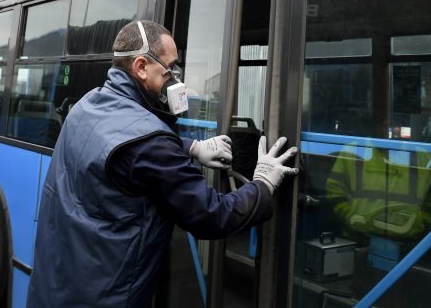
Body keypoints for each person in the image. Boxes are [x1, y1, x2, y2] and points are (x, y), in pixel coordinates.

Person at [26, 20, 298, 308]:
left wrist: (191, 147)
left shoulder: (87, 104)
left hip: (58, 283)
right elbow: (212, 215)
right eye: (170, 69)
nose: (176, 79)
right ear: (141, 67)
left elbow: (121, 148)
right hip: (108, 296)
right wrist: (263, 183)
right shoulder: (150, 143)